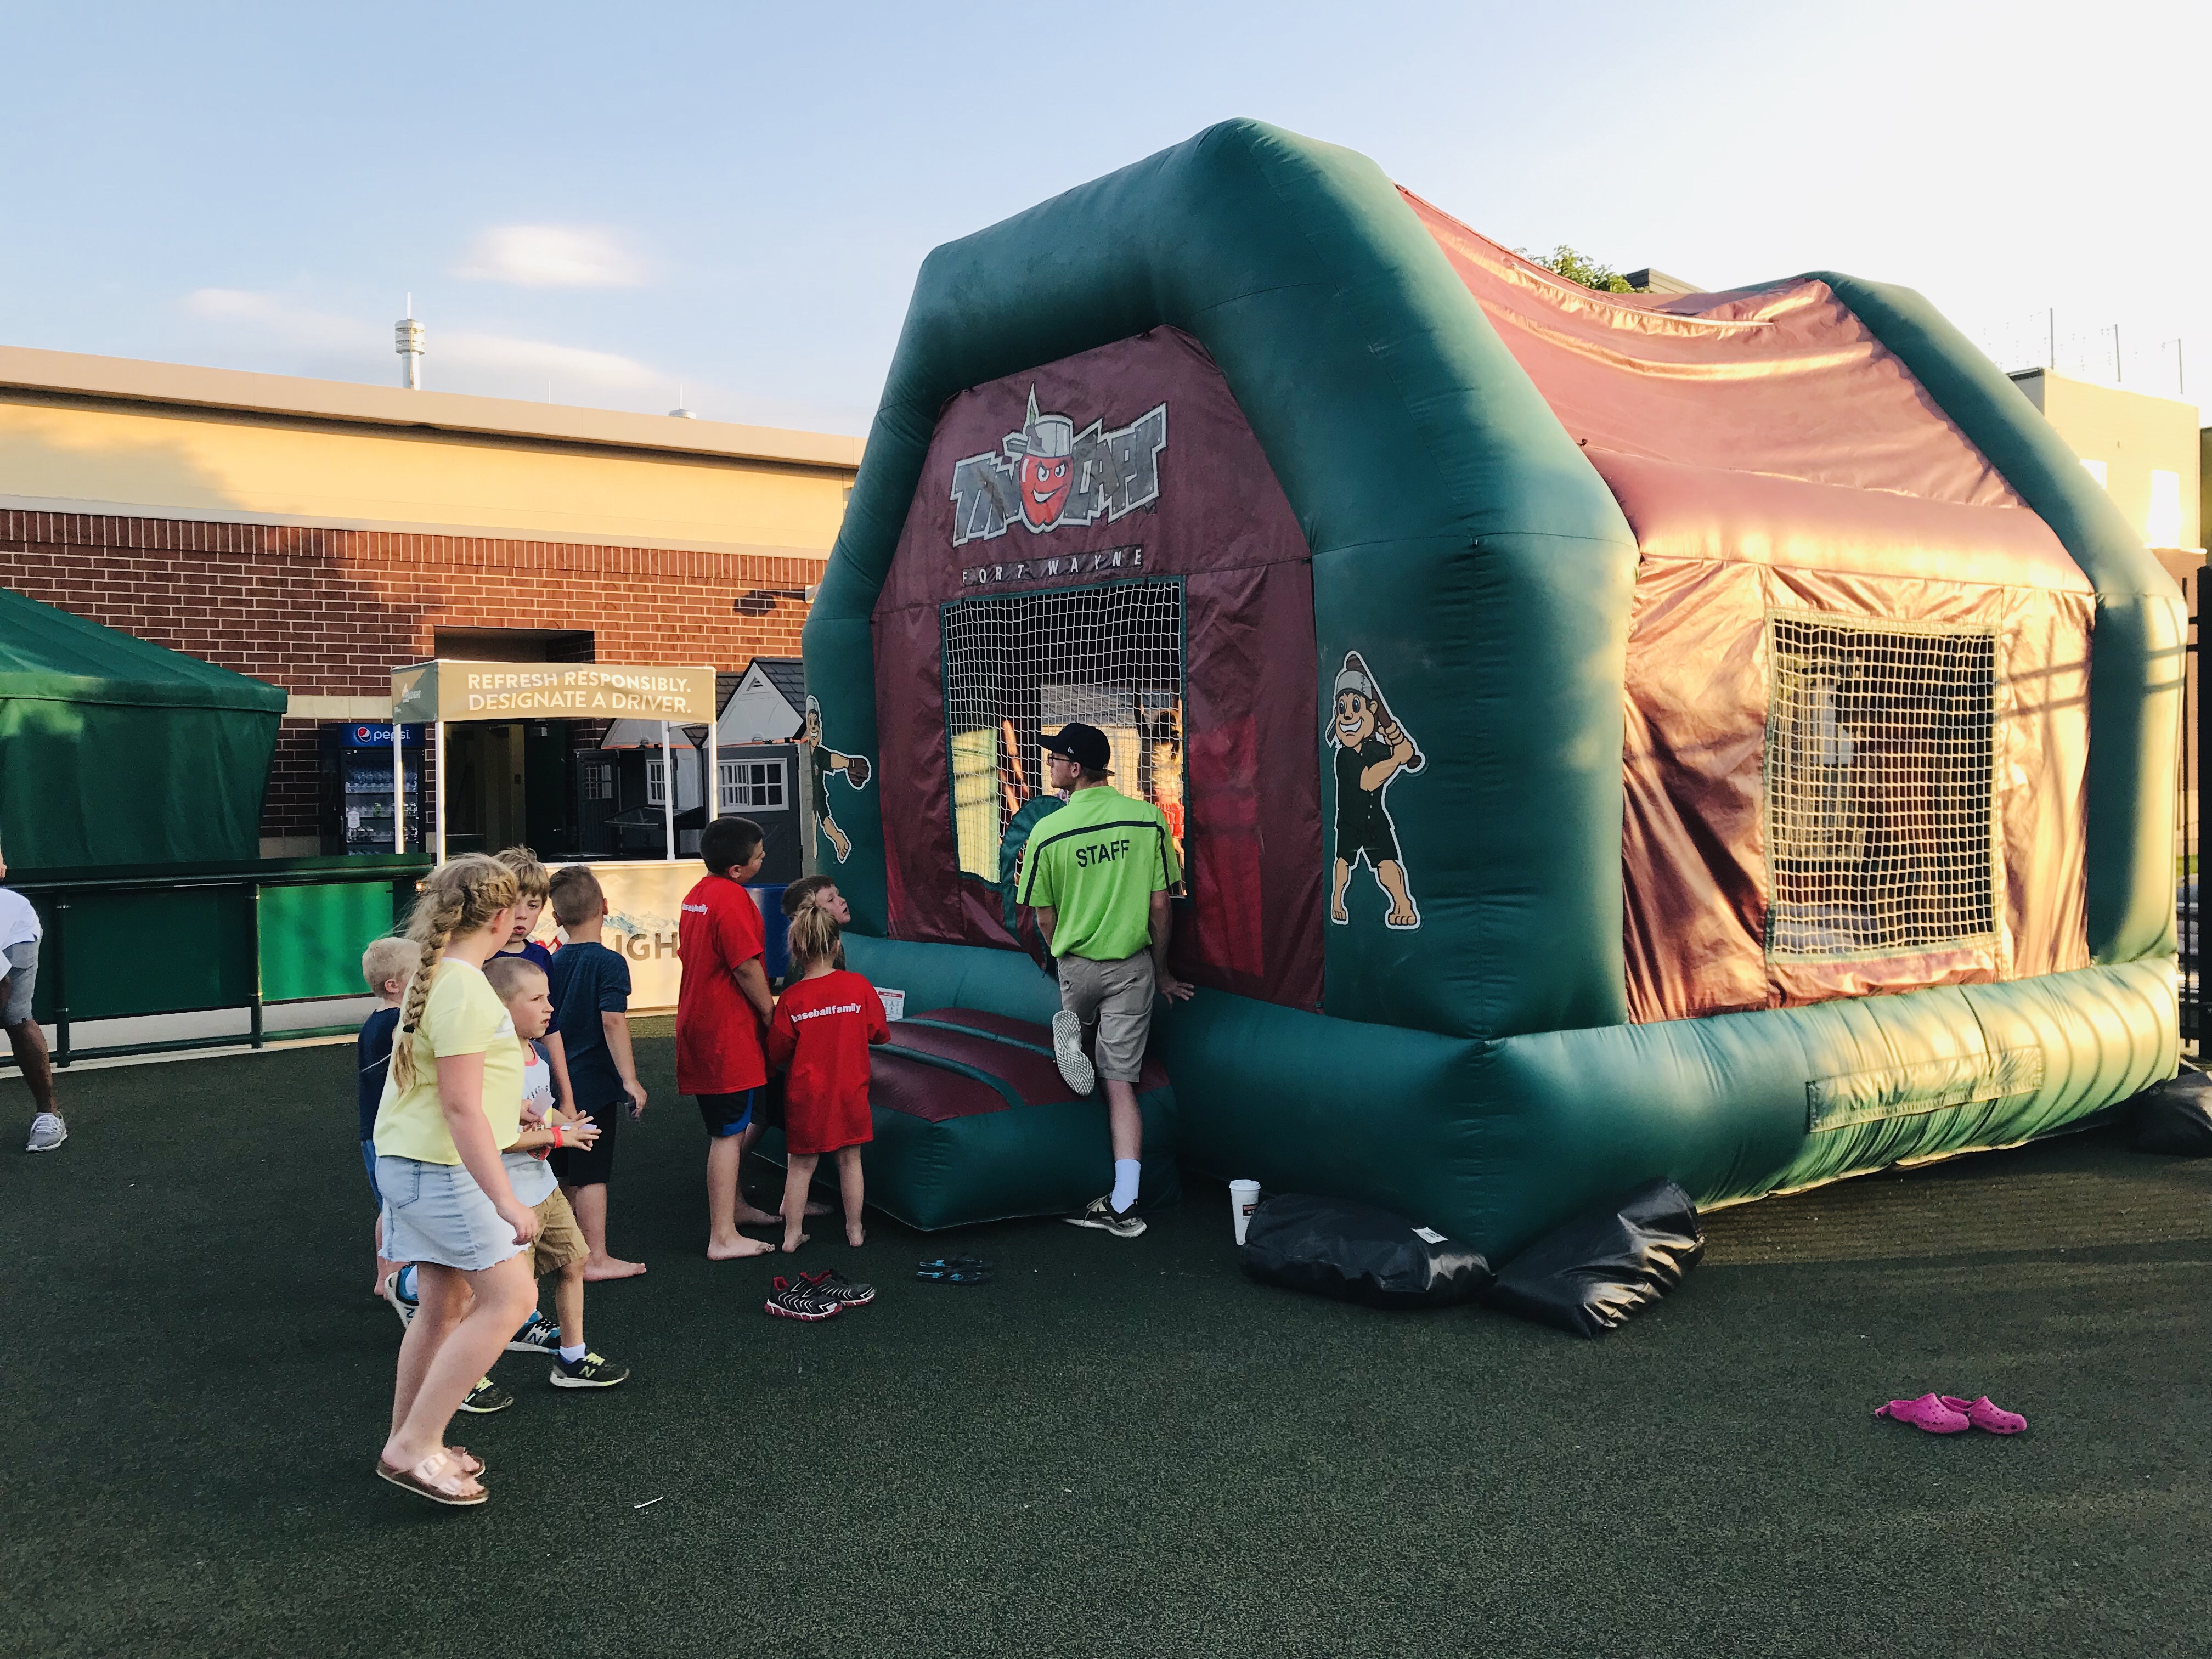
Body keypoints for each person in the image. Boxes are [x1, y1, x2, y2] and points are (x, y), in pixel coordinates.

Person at [371, 854, 539, 1508]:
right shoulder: (466, 987)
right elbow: (461, 1108)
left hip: (413, 1163)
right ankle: (414, 1446)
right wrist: (506, 1199)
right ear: (500, 919)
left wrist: (510, 1106)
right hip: (442, 1169)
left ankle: (412, 1440)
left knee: (443, 1307)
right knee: (513, 1300)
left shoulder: (438, 976)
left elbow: (456, 1084)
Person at [1016, 720, 1193, 1239]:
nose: (1050, 765)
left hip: (1076, 964)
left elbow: (1042, 916)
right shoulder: (1147, 819)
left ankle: (1073, 1032)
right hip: (1132, 967)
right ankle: (1123, 1203)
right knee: (1121, 1085)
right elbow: (1161, 907)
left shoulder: (1047, 831)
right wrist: (1163, 973)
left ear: (1075, 769)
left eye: (1055, 759)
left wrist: (1061, 959)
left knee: (1081, 1057)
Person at [484, 955, 629, 1389]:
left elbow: (540, 1109)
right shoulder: (491, 1065)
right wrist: (560, 1137)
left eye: (549, 997)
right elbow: (496, 1139)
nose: (550, 1008)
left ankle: (572, 1358)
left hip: (543, 1188)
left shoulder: (539, 1054)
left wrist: (566, 1124)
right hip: (507, 1199)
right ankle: (468, 1378)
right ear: (502, 1008)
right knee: (505, 1295)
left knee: (574, 1261)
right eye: (537, 1000)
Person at [677, 816, 780, 1259]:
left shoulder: (697, 895)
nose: (764, 858)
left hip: (702, 1024)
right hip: (725, 1033)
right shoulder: (732, 899)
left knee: (730, 1129)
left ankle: (734, 1209)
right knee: (727, 1134)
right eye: (759, 855)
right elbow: (745, 966)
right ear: (737, 869)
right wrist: (770, 1011)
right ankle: (722, 1236)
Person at [545, 864, 650, 1280]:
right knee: (592, 1174)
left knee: (561, 1170)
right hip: (593, 1084)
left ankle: (562, 1251)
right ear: (605, 906)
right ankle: (595, 1258)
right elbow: (613, 1020)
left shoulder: (550, 962)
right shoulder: (609, 963)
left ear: (556, 918)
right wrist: (630, 1079)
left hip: (553, 1084)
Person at [765, 906, 887, 1253]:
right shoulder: (858, 986)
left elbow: (776, 1052)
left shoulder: (792, 998)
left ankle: (792, 1234)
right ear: (836, 945)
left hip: (807, 1096)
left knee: (800, 1166)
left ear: (796, 950)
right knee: (850, 1161)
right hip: (850, 1091)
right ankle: (855, 1230)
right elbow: (879, 1032)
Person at [491, 847, 577, 1118]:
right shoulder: (477, 954)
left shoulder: (541, 956)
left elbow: (551, 1026)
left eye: (532, 905)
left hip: (532, 1071)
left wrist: (567, 1098)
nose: (522, 915)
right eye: (513, 903)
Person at [358, 936, 417, 1296]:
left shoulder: (376, 1020)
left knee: (391, 1204)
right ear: (394, 986)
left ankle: (388, 1275)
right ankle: (391, 1275)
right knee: (396, 1204)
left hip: (377, 1127)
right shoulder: (398, 1022)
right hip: (390, 1129)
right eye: (419, 974)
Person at [0, 837, 62, 1154]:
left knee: (15, 1016)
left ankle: (49, 1115)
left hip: (16, 936)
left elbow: (2, 986)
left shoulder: (11, 911)